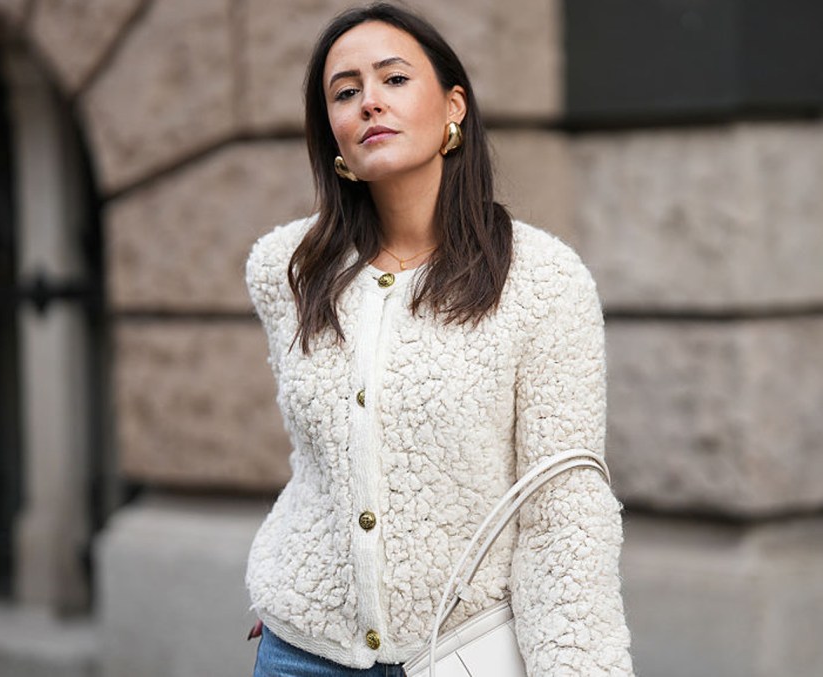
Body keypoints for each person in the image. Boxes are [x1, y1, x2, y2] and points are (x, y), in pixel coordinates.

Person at [243, 4, 634, 675]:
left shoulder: (541, 280)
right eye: (345, 92)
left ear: (453, 106)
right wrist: (300, 579)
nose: (369, 102)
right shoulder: (289, 270)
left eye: (393, 80)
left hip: (462, 652)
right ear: (332, 133)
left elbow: (565, 513)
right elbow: (318, 457)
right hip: (302, 654)